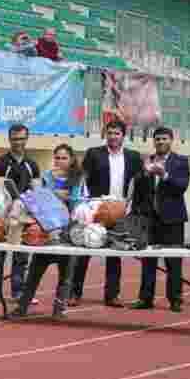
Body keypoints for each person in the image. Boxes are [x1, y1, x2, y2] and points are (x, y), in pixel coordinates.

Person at [70, 120, 143, 307]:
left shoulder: (134, 157)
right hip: (96, 208)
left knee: (114, 253)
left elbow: (140, 183)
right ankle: (74, 293)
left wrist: (133, 207)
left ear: (123, 136)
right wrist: (81, 204)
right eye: (110, 133)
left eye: (117, 133)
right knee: (85, 251)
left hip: (119, 210)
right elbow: (83, 180)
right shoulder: (94, 154)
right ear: (105, 134)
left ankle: (112, 295)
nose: (113, 136)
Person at [10, 144, 84, 319]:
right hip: (46, 230)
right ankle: (22, 307)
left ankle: (59, 309)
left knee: (66, 275)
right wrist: (54, 194)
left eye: (64, 158)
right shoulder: (46, 176)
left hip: (67, 231)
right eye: (57, 157)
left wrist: (54, 194)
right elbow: (38, 197)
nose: (60, 161)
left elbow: (75, 201)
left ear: (71, 160)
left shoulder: (77, 177)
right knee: (35, 272)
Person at [130, 127, 190, 312]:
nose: (161, 142)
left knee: (173, 261)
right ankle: (146, 298)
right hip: (149, 218)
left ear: (171, 140)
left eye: (164, 139)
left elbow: (182, 187)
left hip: (172, 219)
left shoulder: (181, 161)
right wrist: (145, 173)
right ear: (153, 141)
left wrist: (164, 175)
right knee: (148, 260)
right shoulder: (147, 160)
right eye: (157, 139)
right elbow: (138, 188)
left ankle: (175, 299)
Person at [0, 124, 39, 305]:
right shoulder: (1, 163)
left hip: (23, 215)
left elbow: (36, 191)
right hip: (4, 215)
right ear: (9, 140)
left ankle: (18, 292)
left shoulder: (32, 165)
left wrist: (27, 210)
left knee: (21, 256)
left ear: (27, 139)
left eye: (22, 138)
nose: (18, 142)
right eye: (15, 139)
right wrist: (9, 211)